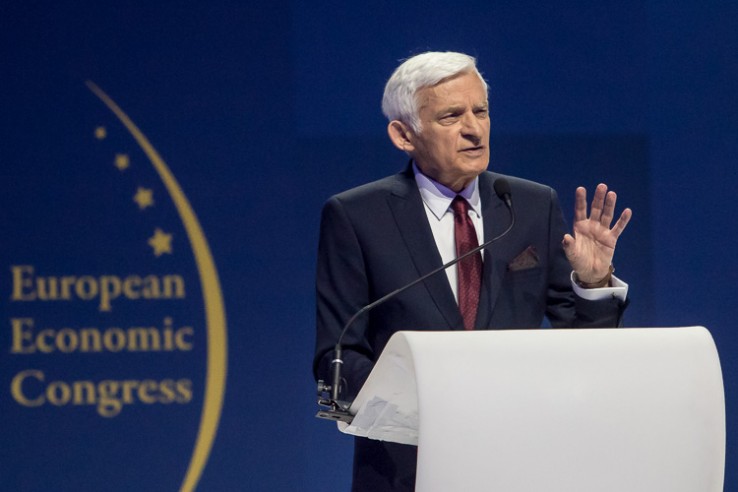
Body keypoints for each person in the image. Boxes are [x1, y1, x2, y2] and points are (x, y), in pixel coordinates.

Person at [313, 51, 632, 491]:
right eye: (451, 116)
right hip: (407, 470)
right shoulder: (357, 217)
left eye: (480, 111)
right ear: (404, 135)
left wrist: (594, 283)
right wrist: (433, 408)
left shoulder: (530, 206)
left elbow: (585, 352)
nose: (473, 128)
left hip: (518, 464)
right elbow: (339, 355)